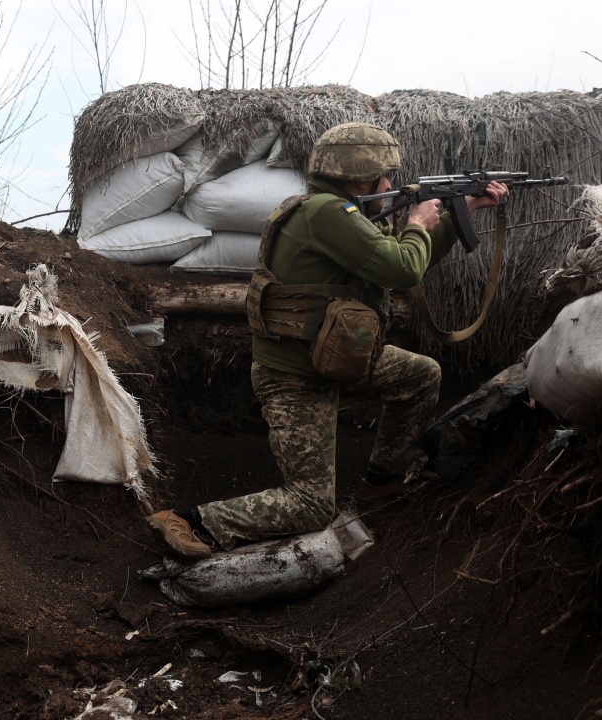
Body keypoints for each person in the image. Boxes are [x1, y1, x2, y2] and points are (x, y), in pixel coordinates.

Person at [146, 123, 508, 559]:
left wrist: (462, 211)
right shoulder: (327, 215)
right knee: (312, 505)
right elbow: (402, 269)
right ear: (360, 177)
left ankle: (382, 483)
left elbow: (403, 259)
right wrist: (416, 222)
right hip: (296, 377)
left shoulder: (342, 214)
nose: (391, 184)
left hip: (340, 357)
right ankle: (192, 520)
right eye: (384, 176)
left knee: (419, 374)